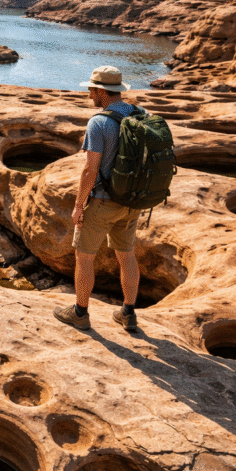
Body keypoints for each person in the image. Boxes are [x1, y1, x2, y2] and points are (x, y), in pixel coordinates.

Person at [53, 65, 141, 333]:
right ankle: (128, 313)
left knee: (85, 258)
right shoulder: (140, 114)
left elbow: (91, 169)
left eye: (91, 89)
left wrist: (78, 206)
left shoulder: (99, 122)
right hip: (132, 201)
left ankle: (80, 313)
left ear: (102, 92)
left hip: (103, 202)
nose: (89, 92)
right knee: (126, 255)